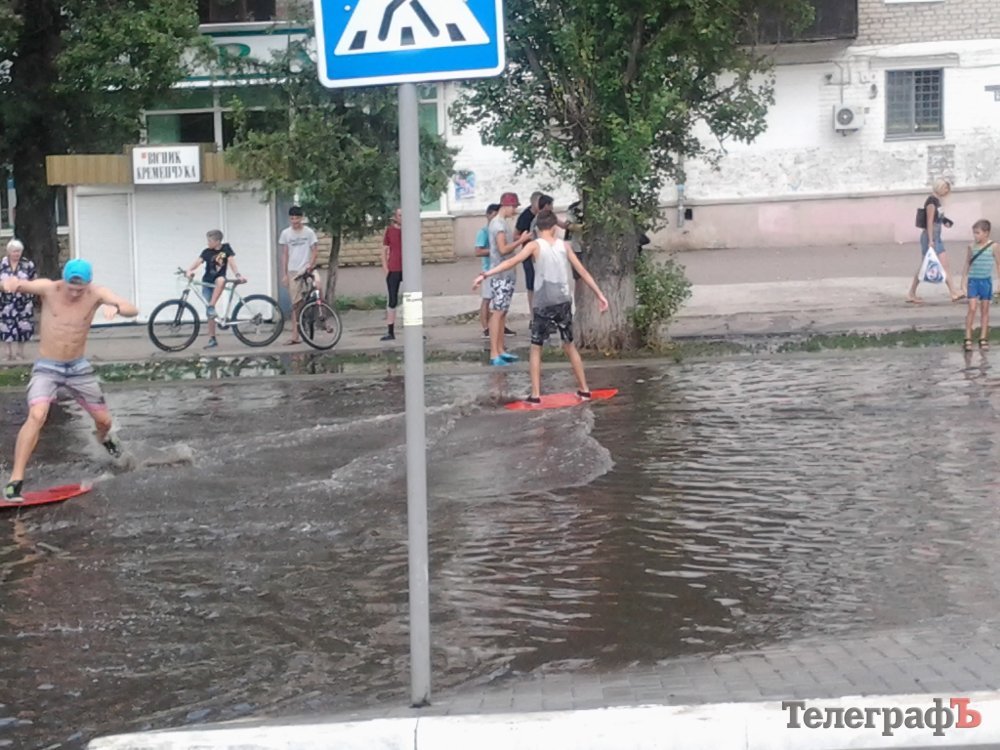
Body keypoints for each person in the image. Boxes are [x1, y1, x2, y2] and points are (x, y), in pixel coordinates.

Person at [2, 259, 138, 503]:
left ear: (88, 283)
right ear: (64, 279)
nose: (76, 292)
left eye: (81, 288)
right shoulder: (49, 288)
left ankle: (105, 439)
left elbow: (132, 309)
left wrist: (117, 307)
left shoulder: (96, 293)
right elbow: (19, 284)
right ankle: (15, 481)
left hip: (78, 367)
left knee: (104, 421)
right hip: (48, 366)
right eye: (72, 286)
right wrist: (10, 283)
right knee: (37, 415)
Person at [474, 209, 609, 400]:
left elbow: (511, 261)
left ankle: (536, 394)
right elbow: (583, 272)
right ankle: (584, 389)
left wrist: (486, 274)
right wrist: (600, 295)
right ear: (554, 227)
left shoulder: (534, 246)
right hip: (562, 301)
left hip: (543, 303)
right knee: (569, 345)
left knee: (536, 348)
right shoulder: (565, 246)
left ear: (537, 228)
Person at [486, 192, 533, 365]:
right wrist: (522, 241)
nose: (515, 210)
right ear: (505, 205)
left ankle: (500, 349)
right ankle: (494, 352)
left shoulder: (502, 223)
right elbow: (503, 249)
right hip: (500, 275)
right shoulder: (498, 224)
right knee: (497, 313)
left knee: (502, 312)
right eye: (513, 206)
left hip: (505, 274)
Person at [185, 229, 245, 349]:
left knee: (221, 280)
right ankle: (212, 338)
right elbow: (198, 262)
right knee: (210, 313)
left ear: (217, 241)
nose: (208, 243)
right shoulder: (206, 252)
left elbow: (232, 262)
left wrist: (238, 275)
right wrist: (189, 270)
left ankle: (212, 306)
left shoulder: (226, 249)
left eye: (210, 241)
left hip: (219, 279)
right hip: (208, 282)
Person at [908, 178, 962, 303]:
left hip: (937, 237)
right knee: (924, 265)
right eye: (945, 188)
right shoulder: (931, 202)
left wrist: (945, 221)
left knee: (944, 264)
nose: (946, 191)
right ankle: (911, 293)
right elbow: (929, 222)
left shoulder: (937, 201)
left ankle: (953, 292)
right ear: (939, 187)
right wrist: (931, 241)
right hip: (930, 237)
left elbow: (938, 217)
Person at [279, 205, 319, 345]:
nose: (294, 221)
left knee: (318, 287)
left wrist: (310, 264)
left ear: (302, 218)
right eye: (292, 218)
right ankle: (295, 335)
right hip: (293, 271)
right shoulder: (286, 234)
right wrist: (284, 274)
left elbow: (314, 250)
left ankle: (322, 318)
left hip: (307, 269)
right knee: (296, 304)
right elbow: (284, 254)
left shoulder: (309, 232)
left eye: (297, 218)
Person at [961, 219, 997, 352]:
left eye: (978, 233)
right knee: (972, 308)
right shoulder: (971, 247)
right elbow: (967, 263)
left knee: (985, 310)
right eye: (974, 233)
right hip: (973, 281)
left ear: (986, 233)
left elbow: (999, 264)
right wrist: (963, 280)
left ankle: (983, 337)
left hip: (986, 282)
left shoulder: (993, 246)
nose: (975, 236)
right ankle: (968, 337)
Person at [0, 239, 36, 360]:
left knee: (23, 327)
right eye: (14, 251)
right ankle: (7, 353)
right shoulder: (2, 264)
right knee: (5, 327)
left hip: (23, 301)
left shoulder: (28, 264)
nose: (17, 254)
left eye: (19, 251)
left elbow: (34, 281)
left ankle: (20, 353)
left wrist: (26, 286)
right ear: (9, 252)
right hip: (6, 302)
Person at [475, 203, 500, 338]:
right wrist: (494, 251)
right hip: (488, 270)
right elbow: (478, 251)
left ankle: (499, 324)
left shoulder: (499, 231)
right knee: (487, 299)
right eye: (494, 215)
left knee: (499, 300)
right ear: (488, 215)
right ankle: (485, 327)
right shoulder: (483, 232)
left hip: (499, 269)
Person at [515, 191, 543, 312]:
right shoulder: (525, 217)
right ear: (533, 203)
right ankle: (533, 316)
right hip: (529, 255)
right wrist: (526, 238)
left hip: (542, 255)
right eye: (540, 203)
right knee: (531, 285)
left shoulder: (544, 215)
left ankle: (544, 315)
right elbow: (515, 235)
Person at [381, 207, 403, 341]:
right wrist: (386, 268)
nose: (402, 218)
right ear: (395, 217)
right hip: (394, 268)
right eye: (400, 215)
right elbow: (384, 250)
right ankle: (390, 331)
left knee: (412, 299)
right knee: (392, 300)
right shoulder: (390, 230)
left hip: (408, 269)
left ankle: (415, 329)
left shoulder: (410, 229)